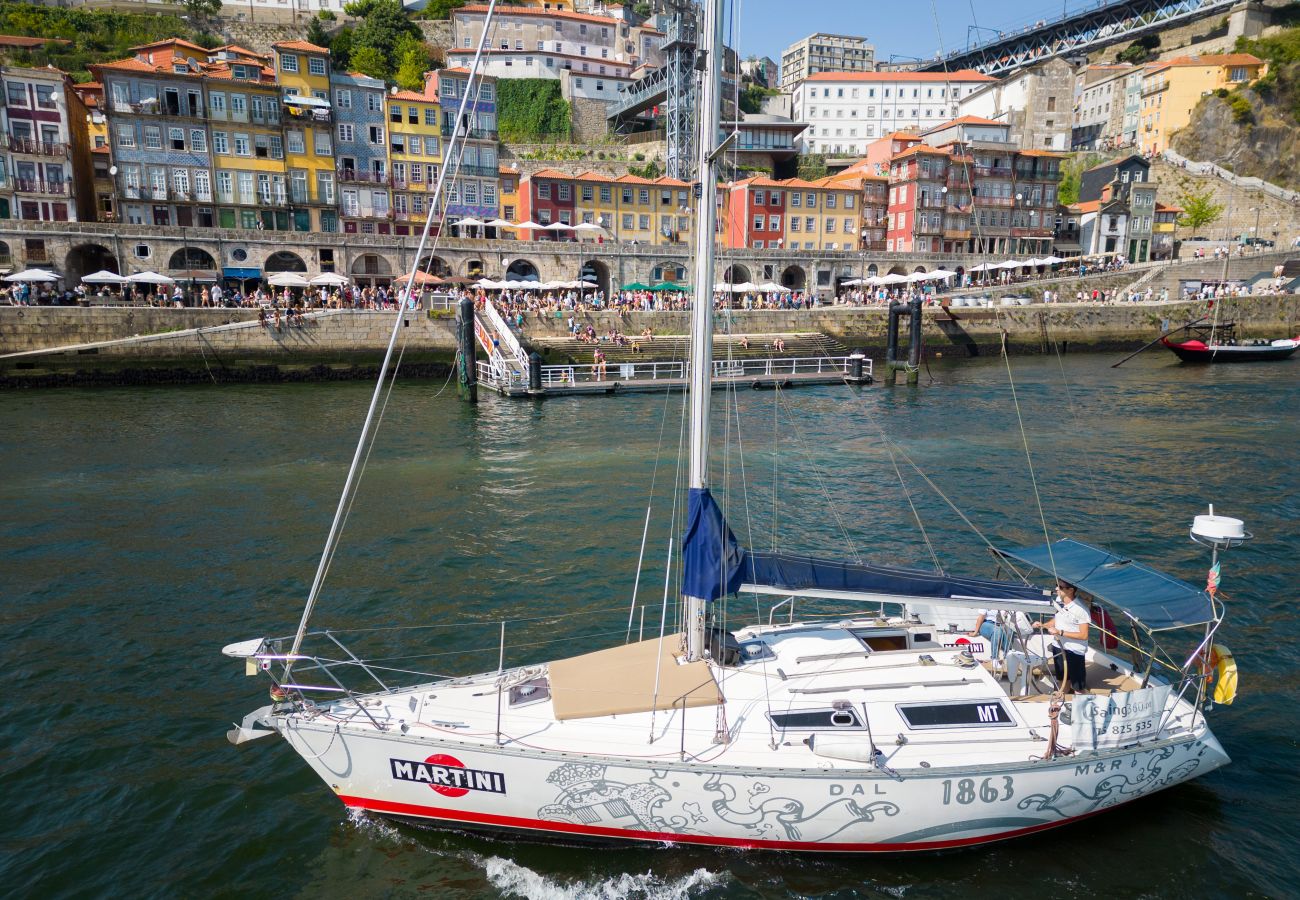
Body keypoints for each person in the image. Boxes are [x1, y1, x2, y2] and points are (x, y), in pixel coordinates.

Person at [1033, 580, 1090, 693]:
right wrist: (1043, 625)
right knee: (1063, 680)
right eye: (1056, 586)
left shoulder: (1081, 610)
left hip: (1074, 650)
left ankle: (1084, 706)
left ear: (1071, 590)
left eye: (1060, 587)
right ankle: (1061, 702)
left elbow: (1084, 635)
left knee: (1078, 687)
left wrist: (1060, 632)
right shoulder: (1060, 602)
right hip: (1059, 647)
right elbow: (1057, 619)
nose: (1056, 589)